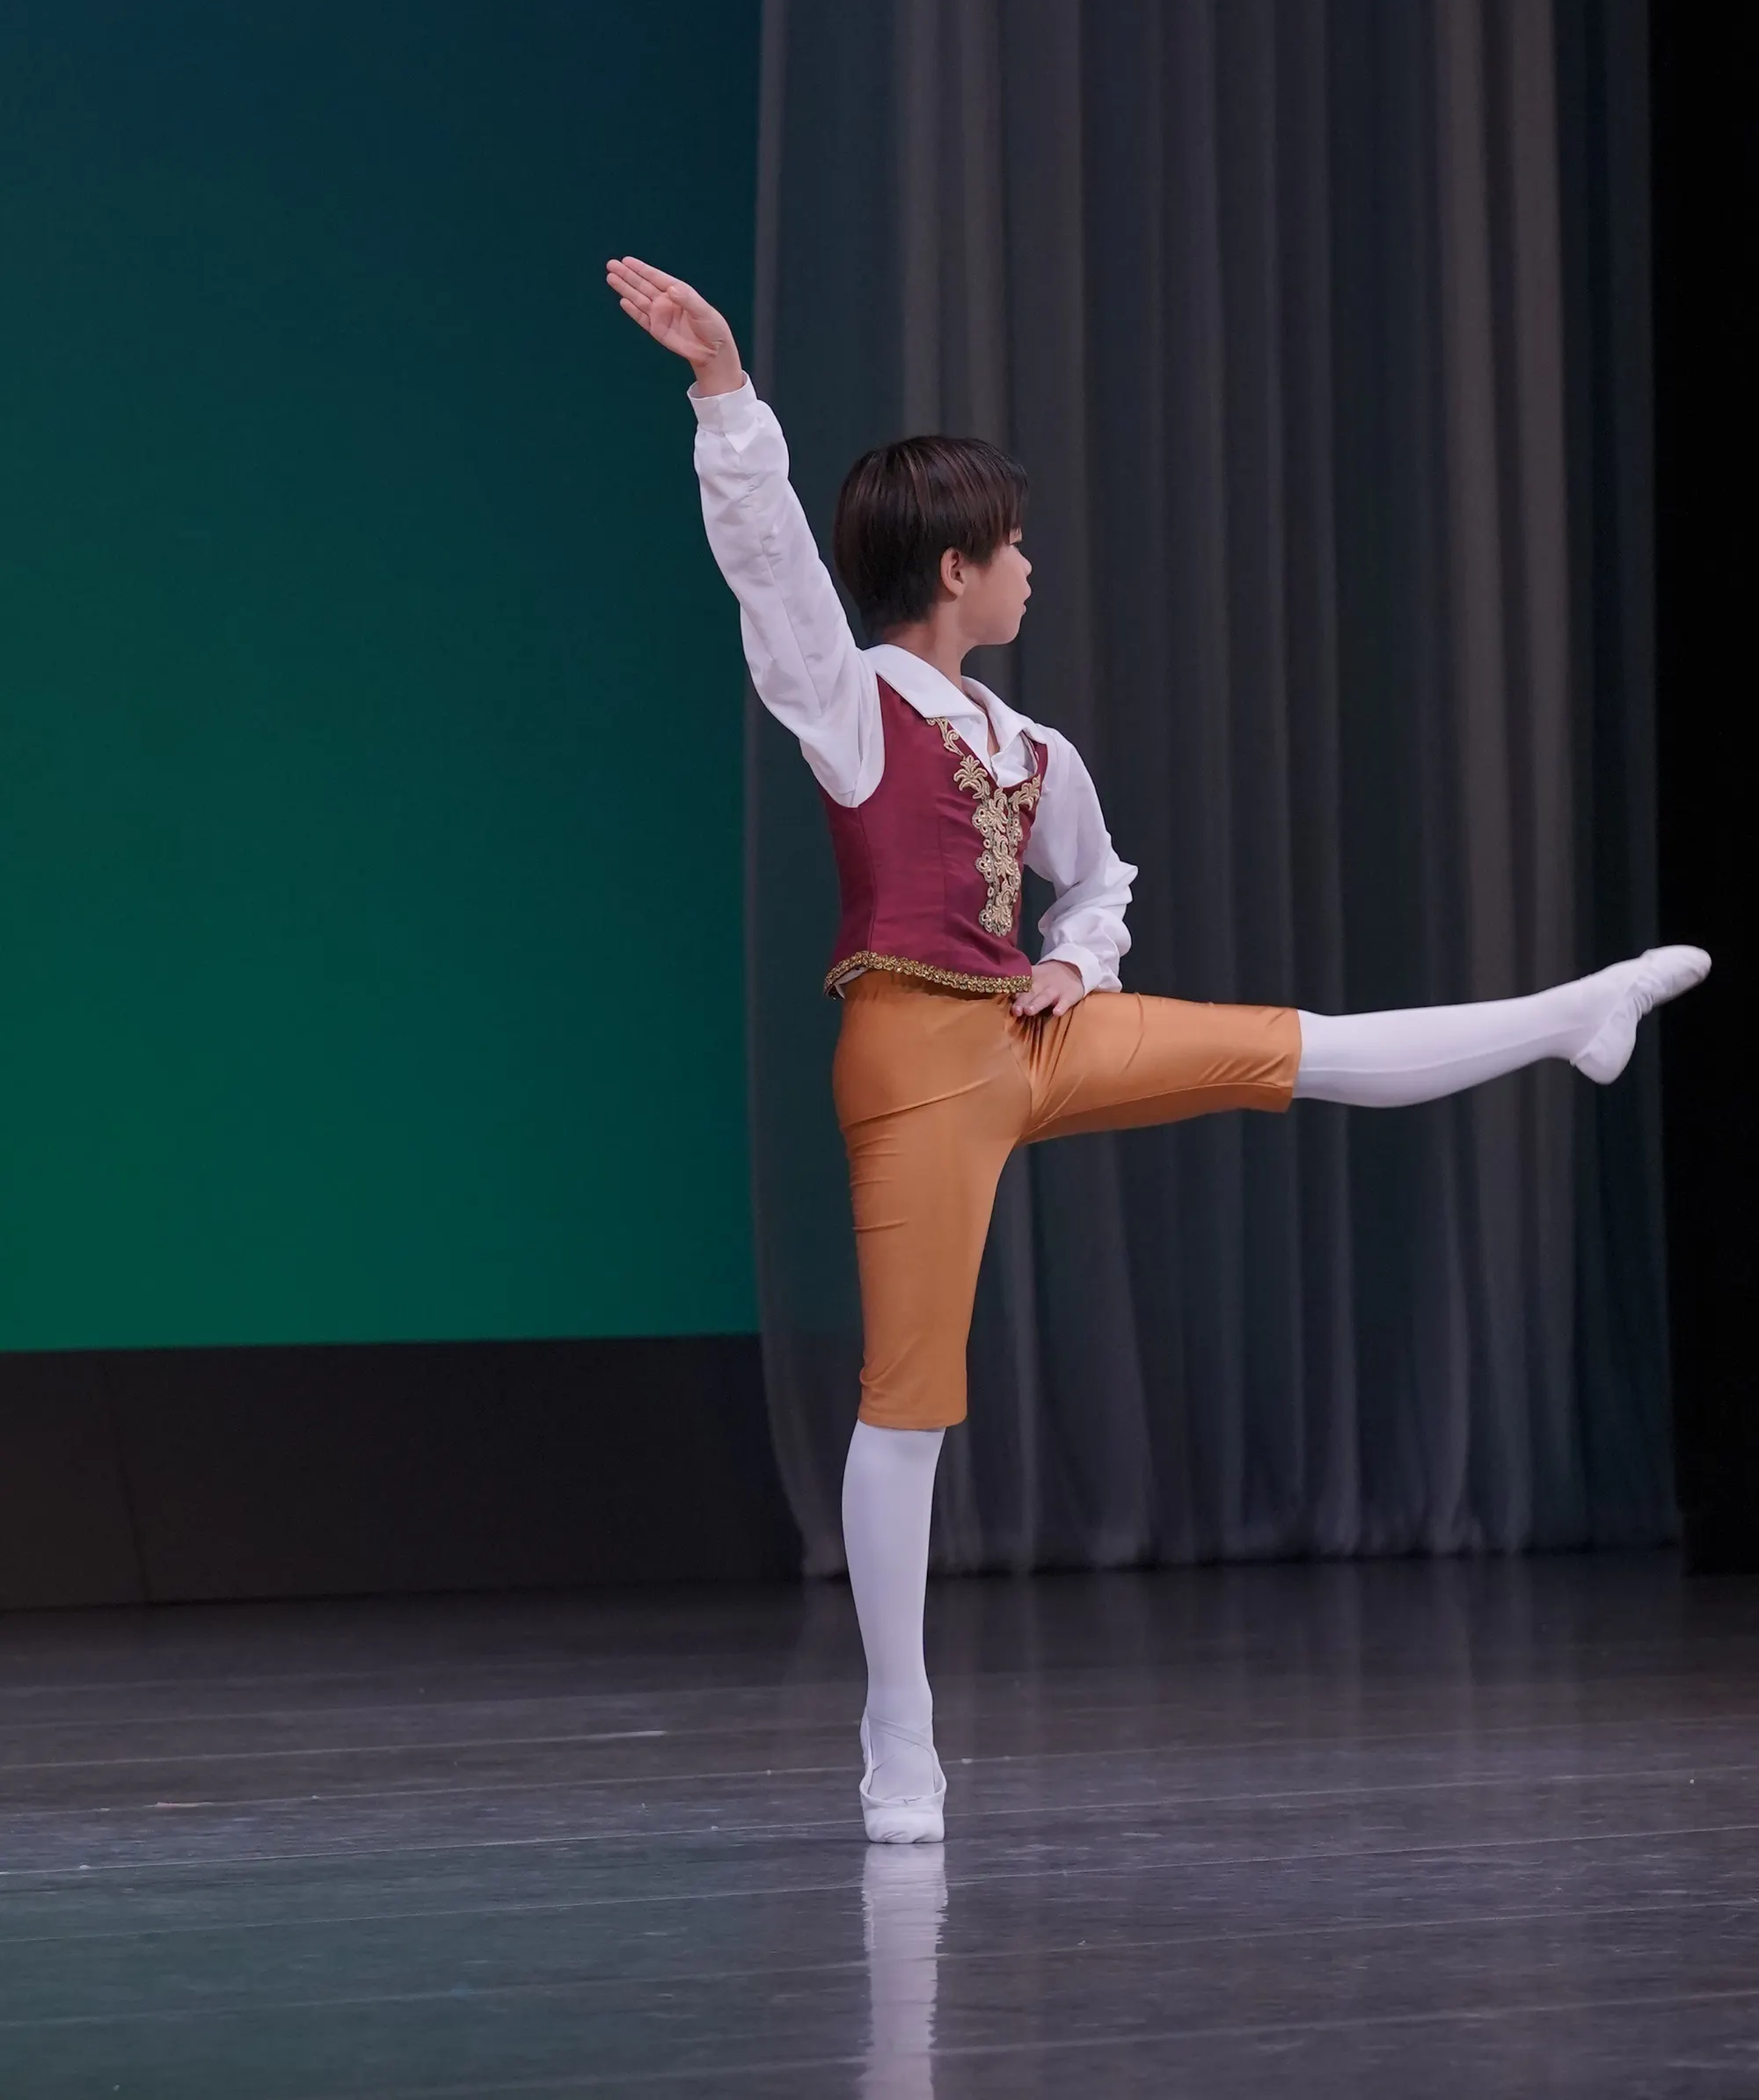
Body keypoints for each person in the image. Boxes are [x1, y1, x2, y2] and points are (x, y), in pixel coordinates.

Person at [607, 253, 1710, 1848]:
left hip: (1035, 1034)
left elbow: (1099, 880)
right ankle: (898, 1732)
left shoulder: (1032, 747)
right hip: (917, 1062)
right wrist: (725, 388)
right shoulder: (850, 704)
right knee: (908, 1399)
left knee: (1303, 1049)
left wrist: (1077, 960)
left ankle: (1570, 1018)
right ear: (956, 569)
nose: (1031, 567)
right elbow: (769, 565)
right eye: (1014, 547)